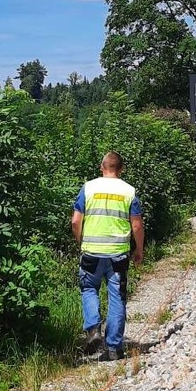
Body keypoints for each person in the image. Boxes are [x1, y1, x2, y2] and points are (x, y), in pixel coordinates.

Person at [71, 151, 144, 361]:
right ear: (121, 169)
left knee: (89, 289)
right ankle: (114, 349)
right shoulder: (129, 192)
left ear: (102, 167)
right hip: (118, 255)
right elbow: (137, 225)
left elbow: (76, 221)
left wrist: (80, 241)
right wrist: (138, 249)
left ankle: (93, 329)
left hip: (91, 251)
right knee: (117, 298)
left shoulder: (89, 188)